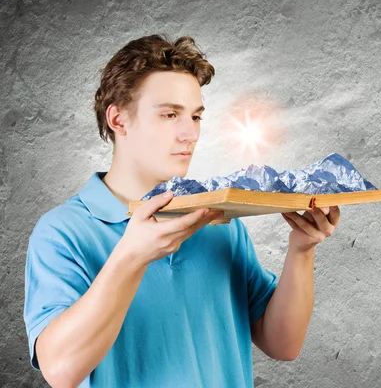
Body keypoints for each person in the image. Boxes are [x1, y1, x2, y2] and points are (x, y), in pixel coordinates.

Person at [23, 34, 341, 388]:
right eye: (170, 114)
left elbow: (283, 344)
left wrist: (301, 249)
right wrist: (131, 257)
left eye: (195, 116)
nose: (190, 133)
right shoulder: (63, 233)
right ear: (118, 120)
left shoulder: (218, 221)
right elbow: (61, 372)